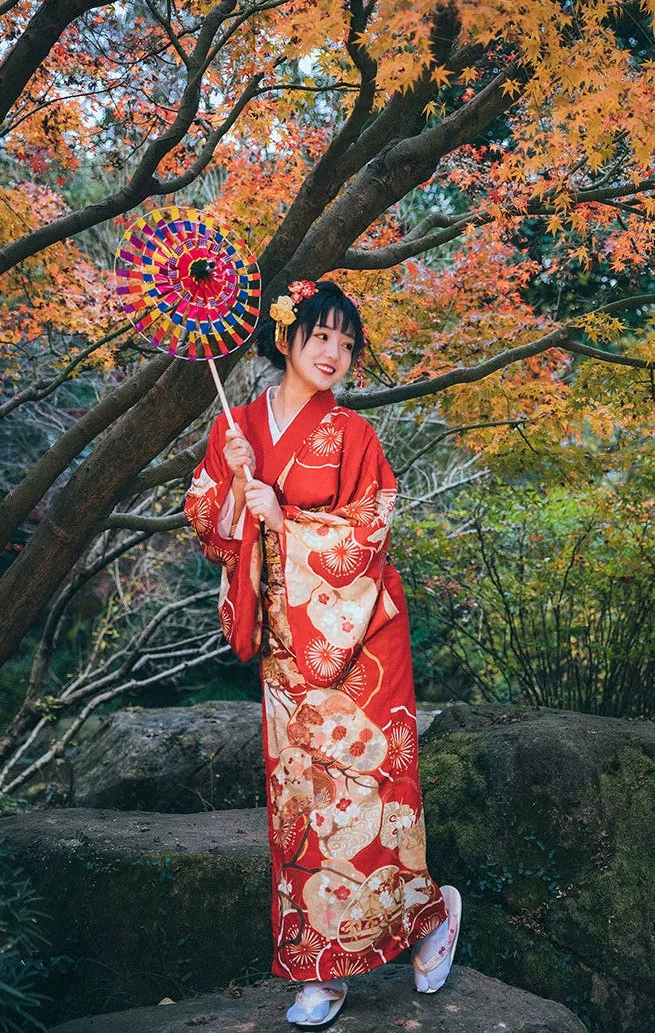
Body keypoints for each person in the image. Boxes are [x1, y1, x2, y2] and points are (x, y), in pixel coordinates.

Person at [184, 279, 461, 1029]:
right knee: (303, 802)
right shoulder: (235, 427)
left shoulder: (355, 435)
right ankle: (320, 968)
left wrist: (286, 522)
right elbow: (208, 526)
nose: (335, 353)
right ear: (286, 339)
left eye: (347, 342)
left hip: (360, 631)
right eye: (321, 337)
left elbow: (371, 530)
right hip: (287, 638)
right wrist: (236, 488)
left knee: (371, 792)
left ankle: (428, 916)